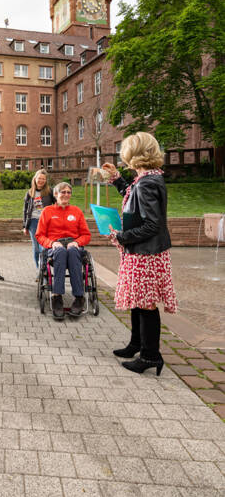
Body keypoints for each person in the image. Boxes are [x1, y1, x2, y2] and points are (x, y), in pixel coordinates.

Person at [101, 132, 177, 376]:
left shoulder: (147, 183)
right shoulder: (147, 179)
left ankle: (150, 355)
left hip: (146, 255)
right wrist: (116, 178)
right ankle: (137, 344)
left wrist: (120, 237)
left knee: (146, 305)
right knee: (138, 301)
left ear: (134, 155)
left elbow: (152, 225)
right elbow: (131, 195)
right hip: (143, 253)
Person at [35, 181, 91, 319]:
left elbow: (86, 235)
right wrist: (51, 243)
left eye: (68, 192)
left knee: (72, 252)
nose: (66, 195)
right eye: (63, 192)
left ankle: (79, 297)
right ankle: (57, 296)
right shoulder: (47, 211)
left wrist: (77, 242)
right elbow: (39, 235)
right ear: (55, 194)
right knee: (60, 252)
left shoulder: (76, 211)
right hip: (55, 247)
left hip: (74, 246)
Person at [22, 169, 55, 273]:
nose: (41, 180)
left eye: (43, 179)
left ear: (46, 180)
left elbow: (58, 204)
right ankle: (40, 271)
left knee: (44, 247)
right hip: (33, 222)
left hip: (46, 222)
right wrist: (25, 226)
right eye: (39, 178)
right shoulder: (29, 193)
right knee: (36, 248)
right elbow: (25, 210)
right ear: (35, 179)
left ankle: (45, 270)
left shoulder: (50, 191)